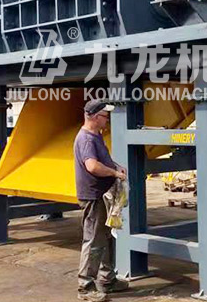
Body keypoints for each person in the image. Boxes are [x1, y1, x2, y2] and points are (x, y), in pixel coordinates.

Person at [74, 100, 129, 302]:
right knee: (94, 241)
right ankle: (85, 287)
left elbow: (101, 160)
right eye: (106, 116)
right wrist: (114, 173)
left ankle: (107, 280)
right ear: (95, 117)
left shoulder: (95, 136)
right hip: (94, 196)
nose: (108, 120)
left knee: (106, 238)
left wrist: (115, 165)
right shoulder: (86, 139)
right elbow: (92, 166)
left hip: (102, 195)